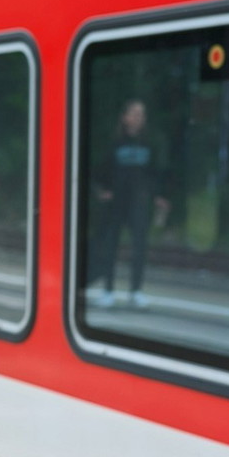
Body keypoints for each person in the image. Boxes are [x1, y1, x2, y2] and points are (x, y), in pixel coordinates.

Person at [91, 100, 170, 309]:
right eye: (134, 113)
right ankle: (108, 291)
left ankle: (136, 291)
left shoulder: (149, 144)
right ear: (124, 117)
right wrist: (101, 191)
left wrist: (159, 195)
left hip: (139, 202)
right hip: (116, 202)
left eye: (141, 114)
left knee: (139, 246)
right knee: (111, 245)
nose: (138, 118)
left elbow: (156, 172)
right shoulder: (114, 142)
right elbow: (99, 169)